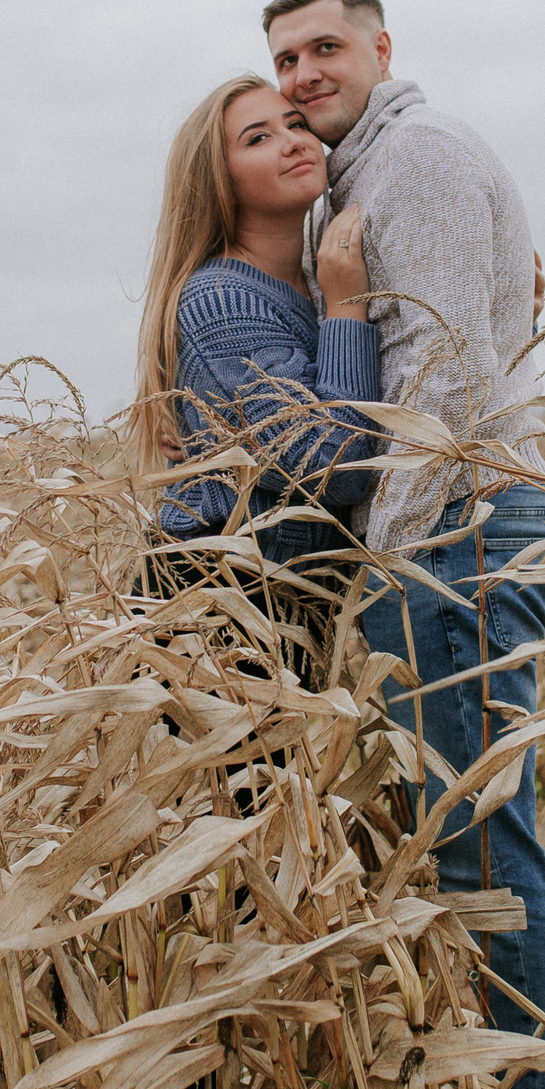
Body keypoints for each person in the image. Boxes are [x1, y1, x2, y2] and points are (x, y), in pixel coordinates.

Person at [262, 0, 545, 1089]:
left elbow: (439, 377)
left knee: (486, 855)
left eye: (324, 49)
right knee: (467, 845)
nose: (303, 77)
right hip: (459, 527)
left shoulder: (420, 156)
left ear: (380, 48)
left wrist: (385, 562)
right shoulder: (368, 171)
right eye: (286, 60)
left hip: (461, 534)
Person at [131, 73, 384, 686]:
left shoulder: (302, 283)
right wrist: (348, 304)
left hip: (284, 596)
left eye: (296, 125)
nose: (294, 141)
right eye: (259, 137)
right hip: (224, 596)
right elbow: (334, 463)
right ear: (219, 179)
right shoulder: (224, 299)